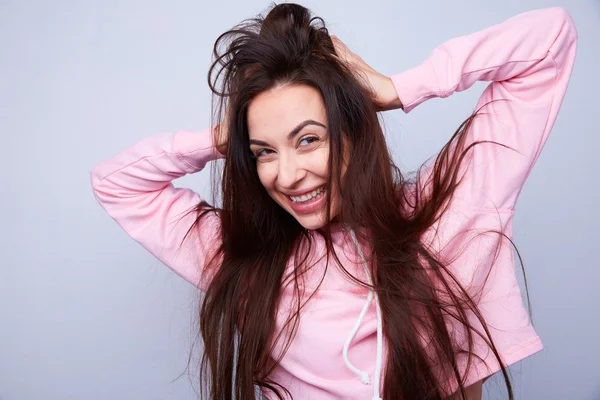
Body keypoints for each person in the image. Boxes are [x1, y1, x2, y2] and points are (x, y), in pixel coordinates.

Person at [90, 3, 577, 400]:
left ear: (352, 131)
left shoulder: (447, 211)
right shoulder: (245, 256)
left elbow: (549, 39)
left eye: (307, 140)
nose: (286, 175)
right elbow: (116, 183)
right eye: (265, 152)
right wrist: (229, 135)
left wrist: (395, 89)